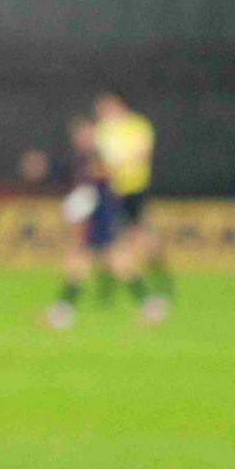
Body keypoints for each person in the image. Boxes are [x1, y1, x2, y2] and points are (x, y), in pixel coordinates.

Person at [46, 113, 159, 328]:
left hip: (101, 215)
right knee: (109, 262)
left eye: (86, 132)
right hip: (97, 215)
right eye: (80, 134)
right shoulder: (83, 158)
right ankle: (148, 304)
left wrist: (80, 201)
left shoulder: (97, 156)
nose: (83, 137)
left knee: (94, 261)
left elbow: (101, 180)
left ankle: (63, 310)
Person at [92, 92, 171, 309]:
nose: (103, 112)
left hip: (134, 188)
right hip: (109, 191)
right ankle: (107, 288)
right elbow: (98, 160)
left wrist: (119, 165)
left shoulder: (137, 126)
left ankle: (162, 278)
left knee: (139, 236)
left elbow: (143, 153)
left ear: (119, 105)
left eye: (106, 107)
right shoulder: (101, 130)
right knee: (109, 238)